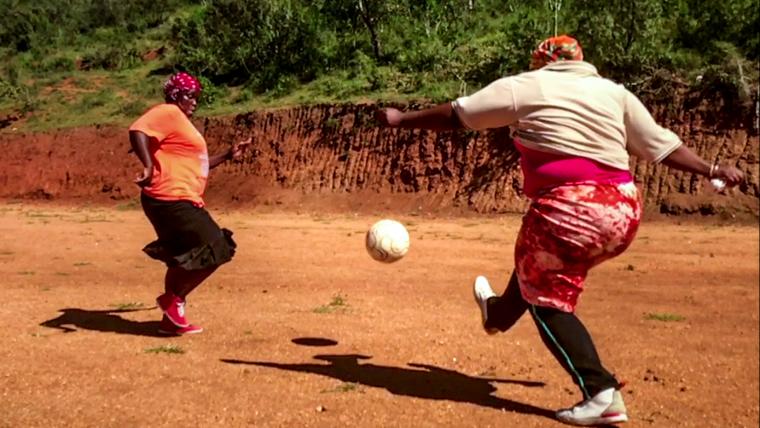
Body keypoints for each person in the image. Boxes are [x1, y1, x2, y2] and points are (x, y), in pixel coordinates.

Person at [375, 35, 744, 426]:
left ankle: (601, 392)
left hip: (571, 209)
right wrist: (712, 170)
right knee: (541, 266)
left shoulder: (530, 84)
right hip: (622, 209)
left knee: (548, 298)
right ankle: (498, 314)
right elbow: (661, 147)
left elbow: (459, 114)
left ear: (542, 62)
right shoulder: (613, 92)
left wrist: (401, 120)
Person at [129, 72, 251, 336]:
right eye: (189, 95)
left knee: (181, 259)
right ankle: (173, 301)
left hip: (169, 198)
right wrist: (148, 166)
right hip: (172, 197)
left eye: (197, 96)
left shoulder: (179, 123)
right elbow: (137, 129)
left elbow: (197, 163)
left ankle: (170, 320)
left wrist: (228, 155)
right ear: (175, 95)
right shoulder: (169, 112)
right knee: (217, 246)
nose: (194, 101)